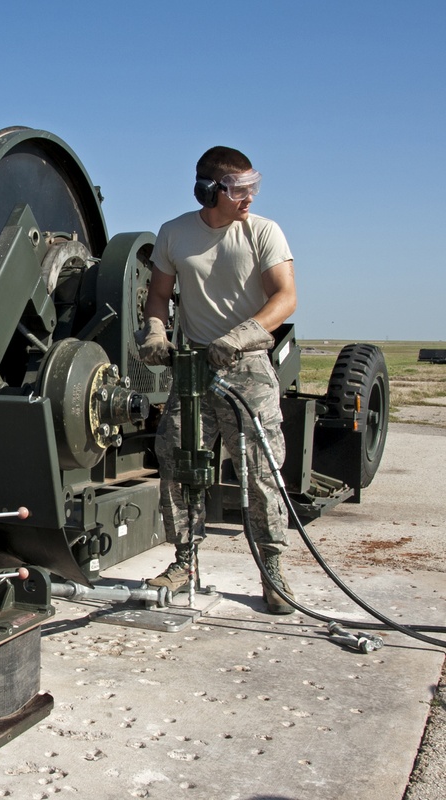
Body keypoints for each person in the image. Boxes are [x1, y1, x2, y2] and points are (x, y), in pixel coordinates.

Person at [136, 145, 298, 614]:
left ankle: (272, 570)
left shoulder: (263, 232)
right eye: (239, 189)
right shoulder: (174, 234)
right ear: (209, 191)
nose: (249, 197)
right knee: (177, 460)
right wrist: (155, 331)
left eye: (253, 187)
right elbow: (158, 296)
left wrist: (245, 334)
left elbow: (285, 297)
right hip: (192, 371)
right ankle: (184, 559)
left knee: (260, 472)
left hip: (246, 370)